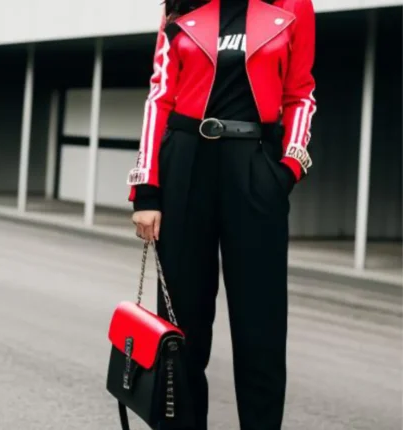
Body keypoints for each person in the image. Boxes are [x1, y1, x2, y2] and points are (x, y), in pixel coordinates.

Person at [128, 0, 316, 428]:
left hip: (255, 170)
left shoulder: (292, 6)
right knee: (181, 329)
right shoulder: (181, 7)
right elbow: (159, 96)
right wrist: (147, 189)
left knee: (261, 332)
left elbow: (300, 93)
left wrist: (286, 171)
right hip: (184, 170)